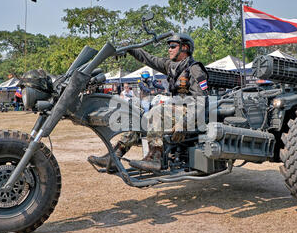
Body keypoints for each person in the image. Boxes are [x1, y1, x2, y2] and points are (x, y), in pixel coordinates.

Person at [88, 33, 209, 172]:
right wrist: (130, 48)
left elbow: (200, 101)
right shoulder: (171, 66)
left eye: (173, 46)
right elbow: (148, 59)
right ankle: (115, 156)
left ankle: (154, 158)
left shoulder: (195, 69)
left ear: (185, 48)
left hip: (191, 113)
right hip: (176, 110)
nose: (169, 49)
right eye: (169, 46)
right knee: (139, 117)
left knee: (157, 111)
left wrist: (184, 123)